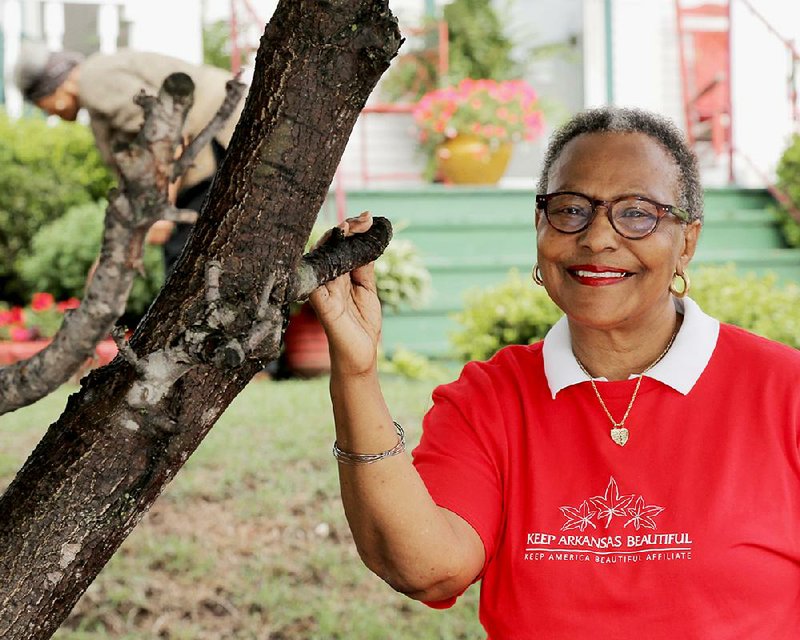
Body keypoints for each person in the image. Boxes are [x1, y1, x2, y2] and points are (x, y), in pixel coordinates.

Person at [308, 106, 800, 638]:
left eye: (636, 213)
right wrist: (356, 374)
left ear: (687, 241)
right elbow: (426, 569)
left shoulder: (785, 391)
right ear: (540, 225)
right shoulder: (490, 398)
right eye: (571, 209)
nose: (597, 238)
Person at [14, 43, 245, 274]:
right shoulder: (97, 105)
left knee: (186, 265)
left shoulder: (95, 82)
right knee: (187, 262)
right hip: (206, 143)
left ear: (54, 89)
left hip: (222, 132)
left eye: (42, 106)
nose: (49, 113)